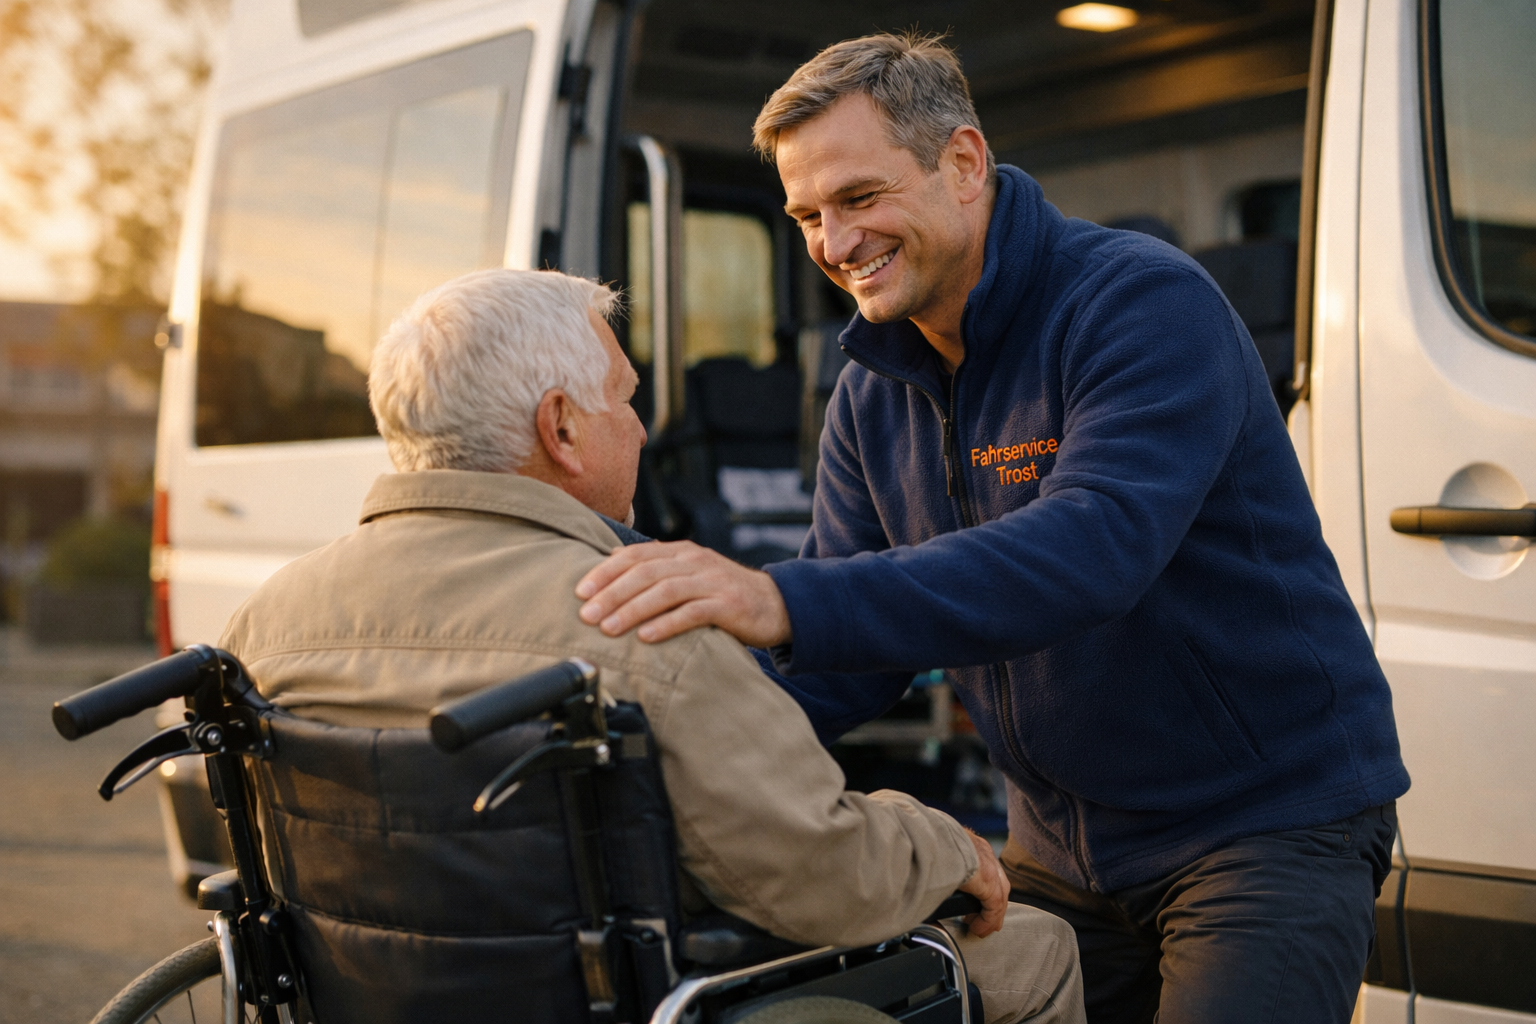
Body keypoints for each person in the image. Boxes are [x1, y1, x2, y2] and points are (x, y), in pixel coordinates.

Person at [572, 34, 1409, 1024]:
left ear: (964, 164)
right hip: (1059, 853)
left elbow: (1092, 547)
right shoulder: (870, 394)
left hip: (1260, 827)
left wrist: (777, 597)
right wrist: (649, 723)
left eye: (859, 197)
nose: (834, 244)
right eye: (806, 217)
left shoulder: (1139, 303)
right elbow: (844, 666)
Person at [216, 267, 1086, 1024]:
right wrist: (938, 840)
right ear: (561, 428)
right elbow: (819, 877)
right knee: (1036, 947)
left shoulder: (260, 627)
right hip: (637, 999)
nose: (639, 429)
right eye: (626, 398)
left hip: (374, 999)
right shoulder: (640, 617)